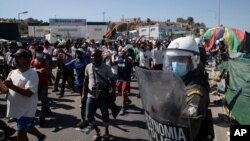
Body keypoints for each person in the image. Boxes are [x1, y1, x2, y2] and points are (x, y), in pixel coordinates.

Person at [163, 36, 213, 141]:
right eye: (173, 59)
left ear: (192, 61)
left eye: (181, 59)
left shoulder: (196, 93)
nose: (175, 63)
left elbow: (187, 131)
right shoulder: (180, 82)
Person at [0, 49, 46, 141]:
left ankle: (40, 136)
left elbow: (29, 93)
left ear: (26, 59)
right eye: (15, 58)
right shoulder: (12, 73)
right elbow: (6, 90)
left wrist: (12, 86)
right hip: (16, 109)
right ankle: (40, 136)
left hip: (26, 110)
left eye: (19, 58)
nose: (16, 60)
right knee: (28, 127)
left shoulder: (32, 73)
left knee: (21, 134)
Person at [83, 49, 116, 141]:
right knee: (88, 116)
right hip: (91, 95)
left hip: (103, 96)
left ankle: (106, 132)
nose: (92, 57)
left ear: (100, 57)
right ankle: (98, 132)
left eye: (95, 56)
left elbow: (113, 81)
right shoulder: (88, 66)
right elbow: (86, 80)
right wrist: (83, 94)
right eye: (92, 56)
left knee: (105, 115)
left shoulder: (106, 67)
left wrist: (113, 94)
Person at [31, 45, 52, 126]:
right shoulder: (33, 61)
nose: (39, 53)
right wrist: (37, 70)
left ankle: (42, 117)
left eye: (40, 52)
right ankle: (48, 110)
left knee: (43, 99)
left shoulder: (45, 60)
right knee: (40, 98)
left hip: (44, 82)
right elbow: (30, 70)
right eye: (38, 52)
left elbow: (49, 71)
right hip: (35, 83)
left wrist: (45, 70)